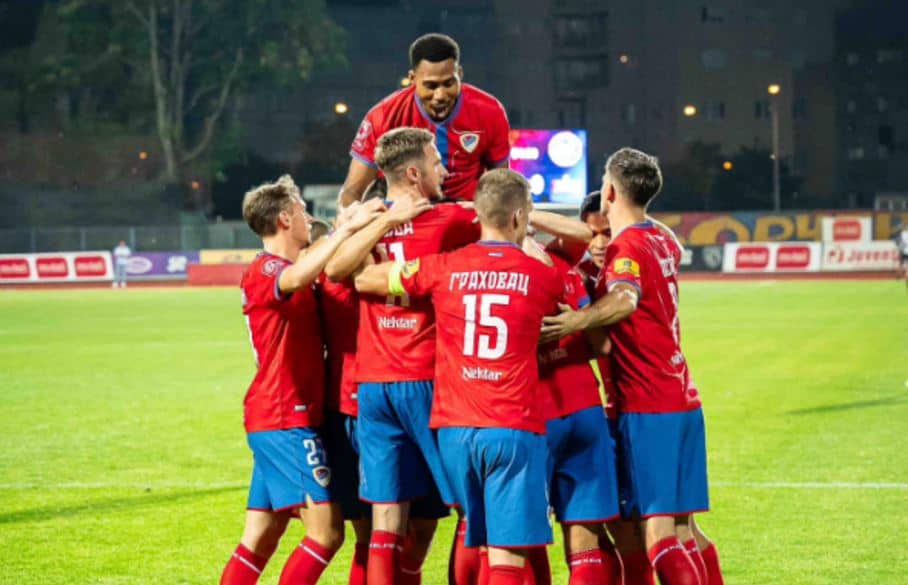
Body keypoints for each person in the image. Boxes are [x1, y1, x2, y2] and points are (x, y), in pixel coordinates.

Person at [354, 168, 565, 585]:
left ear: (479, 216)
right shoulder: (542, 276)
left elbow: (367, 279)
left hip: (453, 428)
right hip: (510, 425)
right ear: (520, 217)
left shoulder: (441, 268)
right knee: (506, 553)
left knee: (474, 532)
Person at [540, 148, 725, 585]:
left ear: (608, 191)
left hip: (648, 404)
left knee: (657, 535)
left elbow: (624, 298)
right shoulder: (661, 238)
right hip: (682, 398)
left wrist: (576, 319)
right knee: (685, 530)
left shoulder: (628, 247)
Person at [326, 127, 474, 585]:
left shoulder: (365, 223)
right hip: (428, 381)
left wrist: (381, 222)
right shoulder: (450, 219)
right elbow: (506, 221)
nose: (445, 170)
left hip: (374, 385)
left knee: (386, 522)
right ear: (414, 172)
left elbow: (335, 266)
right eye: (436, 163)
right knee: (473, 506)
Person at [219, 175, 384, 585]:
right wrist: (346, 227)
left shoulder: (290, 268)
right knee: (326, 534)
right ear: (284, 219)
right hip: (284, 418)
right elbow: (294, 279)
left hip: (280, 417)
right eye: (302, 211)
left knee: (262, 535)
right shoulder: (268, 269)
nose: (309, 218)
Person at [339, 33, 511, 207]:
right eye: (431, 86)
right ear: (412, 79)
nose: (440, 95)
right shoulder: (382, 116)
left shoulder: (490, 111)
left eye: (448, 83)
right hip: (404, 219)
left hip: (466, 216)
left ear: (459, 74)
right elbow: (353, 191)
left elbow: (502, 183)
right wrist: (348, 220)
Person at [895, 223, 908, 288]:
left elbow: (900, 243)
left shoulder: (902, 234)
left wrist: (899, 249)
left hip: (903, 251)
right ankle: (904, 275)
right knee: (903, 265)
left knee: (901, 264)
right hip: (905, 251)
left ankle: (899, 276)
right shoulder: (904, 234)